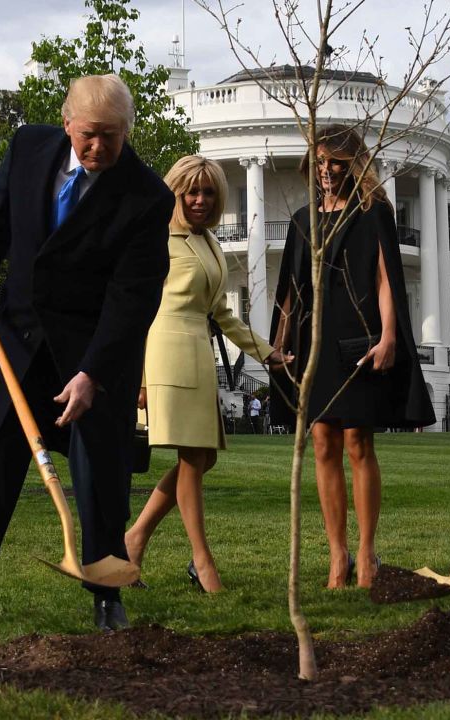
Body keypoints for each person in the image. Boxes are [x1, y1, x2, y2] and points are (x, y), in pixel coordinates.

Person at [0, 74, 173, 631]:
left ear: (127, 131)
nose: (98, 147)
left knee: (101, 477)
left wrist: (93, 371)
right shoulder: (28, 148)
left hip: (93, 353)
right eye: (89, 134)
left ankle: (107, 595)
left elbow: (133, 297)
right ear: (67, 124)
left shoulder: (147, 197)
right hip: (18, 342)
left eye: (111, 136)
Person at [268, 124, 434, 588]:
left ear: (353, 162)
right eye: (319, 162)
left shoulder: (372, 212)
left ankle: (366, 553)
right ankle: (336, 556)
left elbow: (385, 279)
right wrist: (279, 345)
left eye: (334, 162)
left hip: (358, 337)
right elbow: (289, 289)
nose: (325, 171)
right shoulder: (303, 219)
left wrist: (389, 337)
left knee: (359, 441)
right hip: (313, 341)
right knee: (323, 442)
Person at [124, 155, 290, 593]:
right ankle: (202, 562)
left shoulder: (210, 243)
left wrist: (268, 352)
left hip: (199, 355)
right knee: (193, 460)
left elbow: (222, 315)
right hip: (164, 352)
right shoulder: (157, 238)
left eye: (208, 192)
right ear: (175, 193)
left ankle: (134, 540)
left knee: (204, 458)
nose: (199, 200)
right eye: (190, 192)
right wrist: (138, 378)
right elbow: (135, 309)